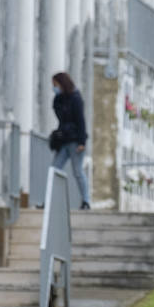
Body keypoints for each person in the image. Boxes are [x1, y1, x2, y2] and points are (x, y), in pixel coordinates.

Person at [50, 71, 90, 209]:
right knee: (54, 169)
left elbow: (80, 121)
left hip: (75, 141)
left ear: (62, 83)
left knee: (77, 171)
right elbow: (61, 120)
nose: (54, 88)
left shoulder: (76, 98)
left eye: (55, 85)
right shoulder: (58, 100)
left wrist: (81, 142)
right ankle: (50, 201)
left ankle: (86, 201)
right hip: (63, 141)